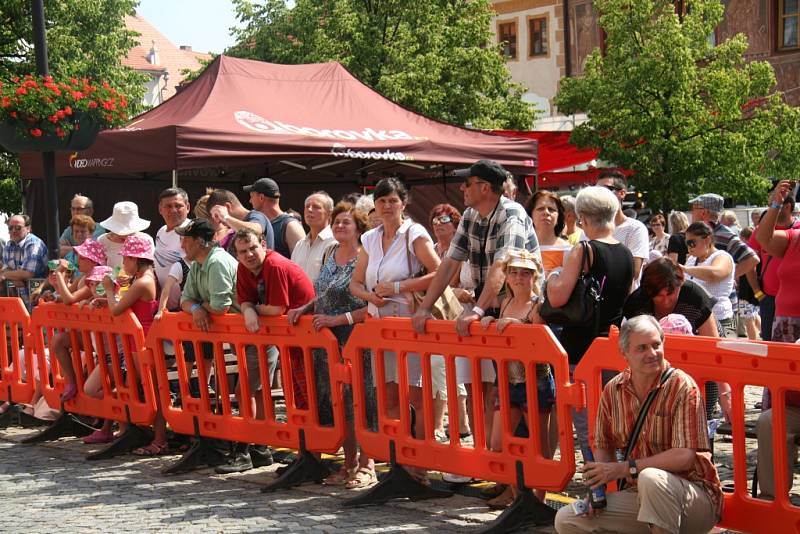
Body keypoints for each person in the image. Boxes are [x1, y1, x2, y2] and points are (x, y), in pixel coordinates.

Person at [554, 315, 722, 534]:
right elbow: (603, 444)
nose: (652, 354)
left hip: (694, 497)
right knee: (567, 519)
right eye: (641, 348)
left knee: (651, 478)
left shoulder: (682, 386)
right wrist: (600, 485)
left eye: (656, 345)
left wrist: (625, 468)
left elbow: (684, 457)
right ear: (625, 353)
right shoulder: (613, 390)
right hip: (640, 495)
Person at [350, 177, 441, 481]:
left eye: (392, 200)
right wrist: (370, 296)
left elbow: (439, 271)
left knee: (416, 396)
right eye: (381, 200)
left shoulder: (413, 233)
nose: (387, 206)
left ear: (404, 202)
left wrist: (398, 286)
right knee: (388, 396)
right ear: (374, 205)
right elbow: (356, 282)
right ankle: (397, 460)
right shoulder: (370, 238)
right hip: (379, 326)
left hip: (409, 326)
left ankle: (421, 466)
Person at [287, 202, 377, 489]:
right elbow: (324, 292)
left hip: (355, 339)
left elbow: (371, 305)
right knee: (339, 404)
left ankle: (367, 465)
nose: (339, 226)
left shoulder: (366, 257)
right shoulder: (330, 253)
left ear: (359, 228)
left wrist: (336, 320)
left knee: (362, 402)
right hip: (328, 342)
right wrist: (306, 308)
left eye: (346, 222)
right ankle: (348, 463)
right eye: (336, 222)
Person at [545, 186, 634, 458]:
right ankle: (615, 487)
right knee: (614, 422)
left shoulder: (583, 250)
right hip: (613, 345)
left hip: (582, 347)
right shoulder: (626, 253)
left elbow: (559, 297)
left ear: (582, 217)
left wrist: (551, 278)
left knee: (588, 426)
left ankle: (598, 493)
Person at [412, 159, 539, 338]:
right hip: (490, 311)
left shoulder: (512, 214)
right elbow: (449, 263)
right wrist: (424, 308)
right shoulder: (470, 215)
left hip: (521, 314)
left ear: (485, 188)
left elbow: (502, 265)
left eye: (467, 183)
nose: (462, 188)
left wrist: (477, 311)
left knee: (520, 367)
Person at [226, 227, 315, 473]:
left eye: (253, 248)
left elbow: (277, 309)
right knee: (295, 398)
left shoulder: (274, 265)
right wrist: (247, 309)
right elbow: (244, 300)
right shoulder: (244, 268)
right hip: (287, 341)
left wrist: (250, 308)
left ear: (263, 244)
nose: (249, 254)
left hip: (306, 339)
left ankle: (312, 455)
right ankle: (304, 454)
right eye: (243, 251)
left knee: (308, 397)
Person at [481, 250, 555, 510]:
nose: (518, 277)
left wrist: (517, 326)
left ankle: (539, 500)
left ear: (534, 276)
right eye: (513, 272)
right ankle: (517, 495)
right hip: (508, 380)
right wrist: (491, 321)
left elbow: (541, 342)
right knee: (502, 442)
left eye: (524, 272)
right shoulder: (504, 303)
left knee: (539, 443)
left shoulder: (539, 304)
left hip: (535, 381)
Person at [624, 257, 722, 422]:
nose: (666, 301)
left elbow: (713, 346)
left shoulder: (694, 296)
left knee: (701, 414)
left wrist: (725, 392)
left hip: (701, 360)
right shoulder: (637, 303)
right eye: (659, 296)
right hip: (658, 365)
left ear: (680, 284)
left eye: (671, 293)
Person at [85, 235, 158, 445]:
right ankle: (129, 428)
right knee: (129, 389)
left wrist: (108, 289)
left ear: (136, 259)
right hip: (135, 340)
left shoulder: (143, 281)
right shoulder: (141, 279)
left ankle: (138, 431)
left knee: (132, 389)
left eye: (126, 259)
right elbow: (124, 304)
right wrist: (104, 298)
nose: (123, 263)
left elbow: (117, 309)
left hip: (139, 341)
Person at [753, 180, 800, 500]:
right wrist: (775, 204)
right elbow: (762, 238)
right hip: (785, 331)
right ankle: (775, 504)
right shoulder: (795, 240)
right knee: (774, 417)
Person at [683, 221, 735, 422]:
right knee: (706, 376)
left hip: (722, 320)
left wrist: (683, 269)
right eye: (687, 243)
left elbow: (715, 274)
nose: (689, 247)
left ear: (707, 239)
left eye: (692, 242)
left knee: (725, 373)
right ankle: (707, 417)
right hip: (700, 324)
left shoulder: (722, 257)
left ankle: (732, 415)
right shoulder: (692, 260)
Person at [46, 238, 108, 402]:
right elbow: (64, 296)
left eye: (81, 257)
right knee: (58, 340)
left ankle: (107, 415)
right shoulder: (83, 277)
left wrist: (59, 274)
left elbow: (69, 299)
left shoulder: (96, 280)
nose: (77, 260)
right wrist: (54, 293)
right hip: (87, 335)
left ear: (92, 261)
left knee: (99, 381)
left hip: (99, 337)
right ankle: (72, 382)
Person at [750, 191, 800, 341]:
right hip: (773, 304)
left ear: (789, 206)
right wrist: (758, 293)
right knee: (772, 353)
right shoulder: (795, 236)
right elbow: (750, 258)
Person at [595, 170, 648, 290]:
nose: (599, 195)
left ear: (622, 193)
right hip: (594, 304)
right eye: (596, 191)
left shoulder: (635, 228)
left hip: (625, 304)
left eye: (605, 190)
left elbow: (633, 272)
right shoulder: (590, 229)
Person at [244, 177, 305, 258]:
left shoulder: (290, 226)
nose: (250, 201)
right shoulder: (260, 222)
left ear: (261, 197)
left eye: (251, 196)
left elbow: (301, 263)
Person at [153, 187, 190, 312]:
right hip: (164, 308)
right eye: (168, 206)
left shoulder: (191, 232)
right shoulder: (161, 231)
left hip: (186, 308)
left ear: (188, 207)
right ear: (160, 209)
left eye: (178, 206)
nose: (173, 210)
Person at [206, 188, 275, 254]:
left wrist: (226, 217)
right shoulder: (235, 228)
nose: (218, 221)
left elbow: (253, 231)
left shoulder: (257, 216)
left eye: (217, 215)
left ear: (227, 207)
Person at [0, 214, 48, 302]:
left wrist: (5, 275)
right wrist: (16, 279)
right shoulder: (8, 245)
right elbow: (5, 269)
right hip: (18, 299)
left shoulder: (33, 244)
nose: (14, 231)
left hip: (38, 298)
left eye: (18, 228)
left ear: (28, 229)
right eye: (10, 228)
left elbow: (28, 274)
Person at [291, 191, 337, 282]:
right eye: (307, 206)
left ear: (330, 213)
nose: (310, 210)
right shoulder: (300, 244)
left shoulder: (334, 243)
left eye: (316, 207)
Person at [97, 202, 154, 270]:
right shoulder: (102, 240)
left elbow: (150, 268)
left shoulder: (145, 239)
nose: (124, 234)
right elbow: (98, 269)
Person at [527, 191, 571, 276]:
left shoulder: (568, 250)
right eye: (540, 209)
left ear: (558, 217)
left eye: (551, 209)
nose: (546, 212)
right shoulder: (521, 248)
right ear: (531, 215)